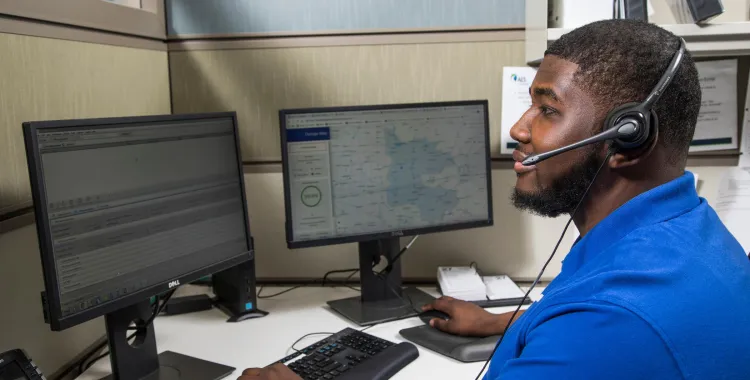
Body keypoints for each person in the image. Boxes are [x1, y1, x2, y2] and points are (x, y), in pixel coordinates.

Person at [237, 19, 750, 380]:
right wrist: (505, 322)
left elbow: (606, 331)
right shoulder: (689, 236)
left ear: (627, 138)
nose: (517, 129)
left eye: (547, 110)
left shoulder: (610, 322)